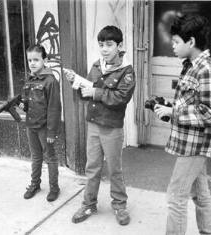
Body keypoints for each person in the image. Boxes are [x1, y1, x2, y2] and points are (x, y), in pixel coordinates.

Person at [154, 14, 211, 235]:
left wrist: (173, 112)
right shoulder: (191, 66)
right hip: (192, 144)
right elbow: (191, 102)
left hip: (196, 146)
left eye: (176, 42)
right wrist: (168, 106)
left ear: (191, 42)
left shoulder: (206, 70)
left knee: (176, 196)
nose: (172, 46)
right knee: (200, 192)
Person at [63, 25, 135, 225]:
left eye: (109, 45)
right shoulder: (96, 66)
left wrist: (95, 92)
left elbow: (121, 98)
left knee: (114, 169)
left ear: (119, 46)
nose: (104, 49)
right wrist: (76, 83)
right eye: (101, 44)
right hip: (94, 125)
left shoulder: (126, 71)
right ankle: (89, 204)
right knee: (92, 167)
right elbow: (87, 92)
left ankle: (120, 206)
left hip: (112, 127)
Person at [21, 44, 61, 202]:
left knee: (50, 157)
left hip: (45, 127)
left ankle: (54, 187)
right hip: (31, 125)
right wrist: (21, 104)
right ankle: (35, 184)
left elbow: (54, 109)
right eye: (29, 60)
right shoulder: (29, 79)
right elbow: (26, 102)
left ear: (44, 60)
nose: (32, 63)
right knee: (36, 157)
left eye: (36, 60)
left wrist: (52, 132)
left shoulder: (50, 81)